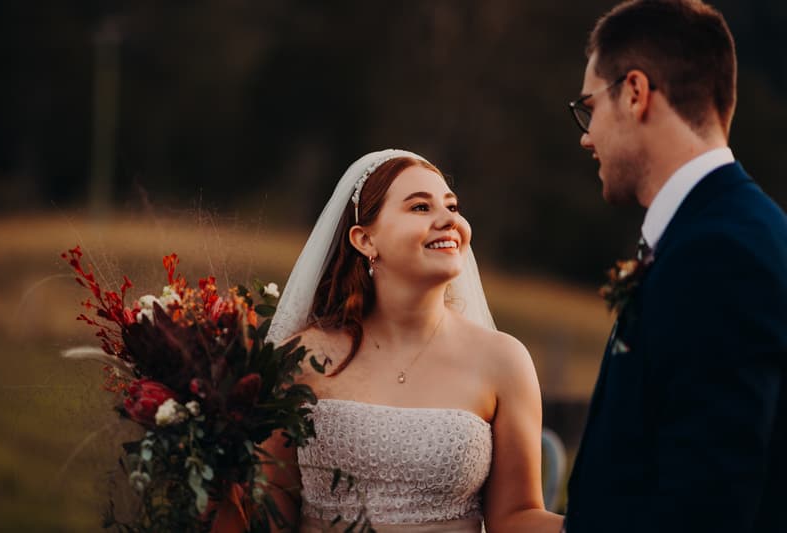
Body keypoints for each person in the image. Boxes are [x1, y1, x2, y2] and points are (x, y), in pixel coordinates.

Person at [565, 1, 787, 532]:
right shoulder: (725, 229)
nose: (585, 135)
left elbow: (707, 502)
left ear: (636, 93)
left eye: (588, 107)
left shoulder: (723, 254)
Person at [261, 149, 563, 532]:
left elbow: (516, 517)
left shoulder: (503, 360)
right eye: (420, 207)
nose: (448, 220)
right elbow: (269, 501)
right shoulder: (301, 357)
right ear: (365, 239)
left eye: (452, 206)